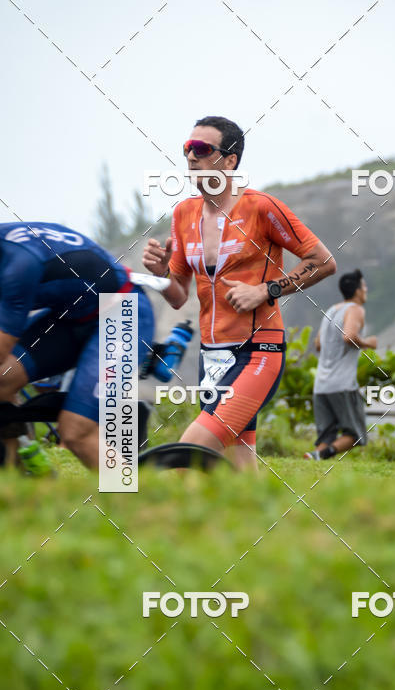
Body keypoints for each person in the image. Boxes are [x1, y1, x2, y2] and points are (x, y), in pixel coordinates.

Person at [142, 114, 336, 470]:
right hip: (211, 354)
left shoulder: (261, 207)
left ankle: (148, 520)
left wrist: (267, 289)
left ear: (230, 160)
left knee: (189, 452)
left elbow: (322, 261)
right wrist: (160, 273)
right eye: (187, 148)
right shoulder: (184, 213)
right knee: (240, 460)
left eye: (202, 149)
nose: (191, 156)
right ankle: (263, 525)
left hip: (257, 351)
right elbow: (178, 295)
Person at [0, 221, 154, 467]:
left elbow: (2, 347)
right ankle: (23, 481)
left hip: (122, 313)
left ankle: (138, 499)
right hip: (71, 317)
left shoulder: (18, 263)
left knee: (76, 432)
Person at [304, 269, 377, 461]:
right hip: (342, 385)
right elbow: (349, 337)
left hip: (321, 385)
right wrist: (368, 342)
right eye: (364, 286)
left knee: (326, 436)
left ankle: (314, 459)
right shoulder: (355, 309)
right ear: (358, 291)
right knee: (356, 435)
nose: (366, 289)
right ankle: (322, 454)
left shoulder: (330, 311)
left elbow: (318, 344)